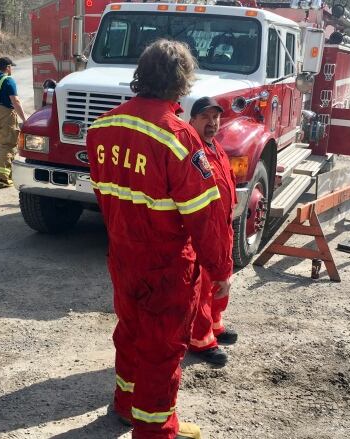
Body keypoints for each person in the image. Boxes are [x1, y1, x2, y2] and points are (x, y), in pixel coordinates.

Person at [86, 40, 233, 439]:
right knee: (162, 349)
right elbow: (206, 215)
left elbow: (103, 195)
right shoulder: (180, 138)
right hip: (165, 264)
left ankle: (125, 405)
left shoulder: (102, 127)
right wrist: (220, 268)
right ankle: (155, 431)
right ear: (181, 83)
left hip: (122, 256)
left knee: (130, 331)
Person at [187, 97, 238, 366]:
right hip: (206, 228)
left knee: (222, 277)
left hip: (223, 225)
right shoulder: (193, 150)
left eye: (215, 117)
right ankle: (201, 339)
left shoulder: (216, 147)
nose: (212, 123)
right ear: (192, 120)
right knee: (205, 282)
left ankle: (216, 324)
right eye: (205, 117)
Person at [0, 56, 27, 188]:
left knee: (1, 144)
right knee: (9, 145)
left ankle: (7, 173)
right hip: (6, 114)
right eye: (11, 67)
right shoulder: (9, 80)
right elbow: (15, 101)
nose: (12, 70)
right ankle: (2, 178)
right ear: (8, 67)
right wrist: (25, 119)